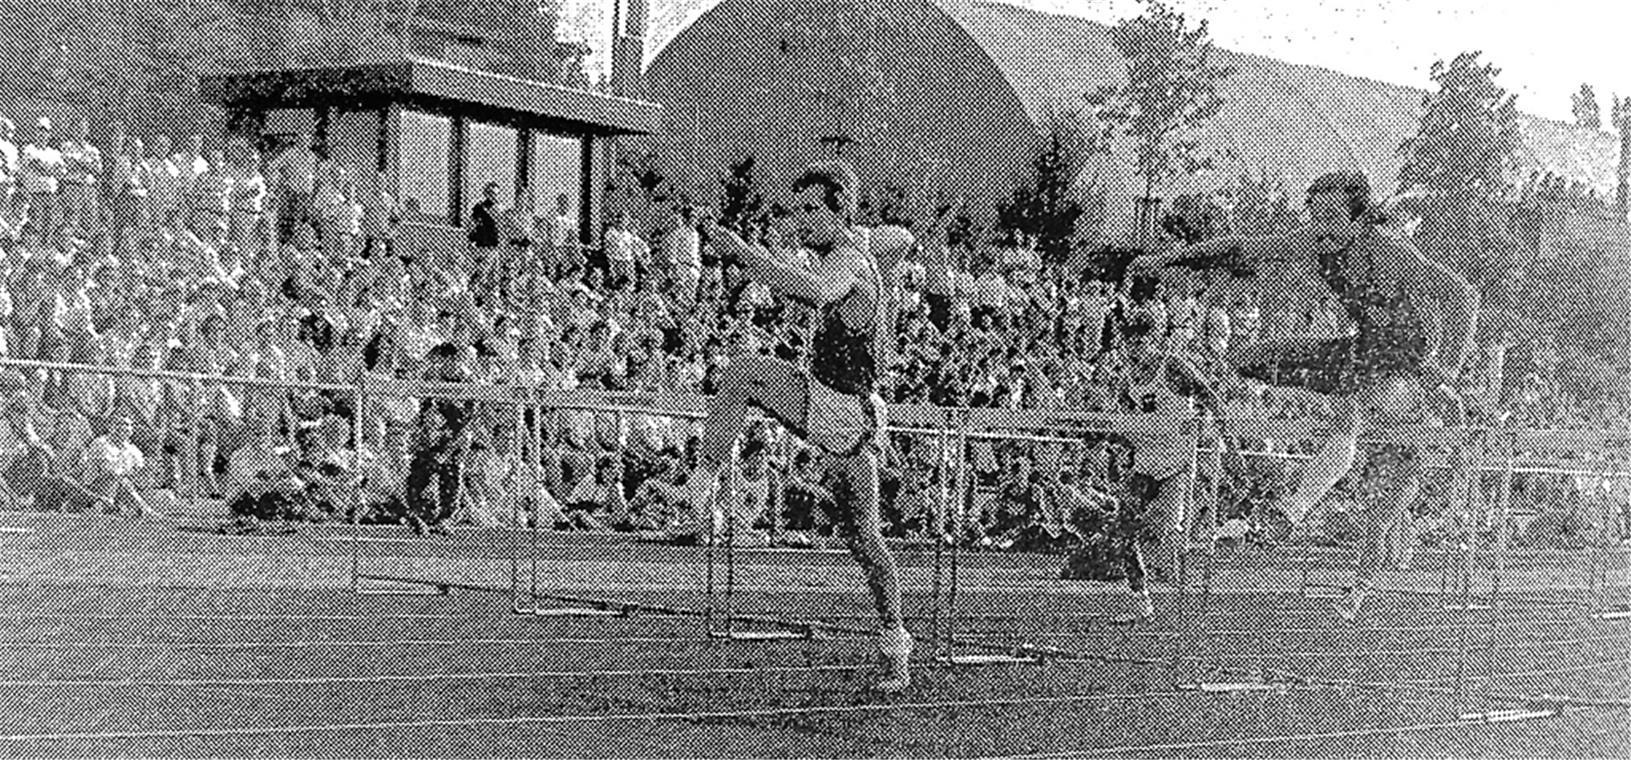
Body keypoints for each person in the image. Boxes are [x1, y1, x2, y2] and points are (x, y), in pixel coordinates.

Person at [1132, 171, 1479, 620]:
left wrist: (1444, 372)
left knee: (1355, 421)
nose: (1322, 227)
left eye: (1333, 218)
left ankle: (1296, 510)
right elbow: (1241, 248)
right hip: (1363, 351)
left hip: (1408, 360)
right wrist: (1170, 259)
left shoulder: (1386, 250)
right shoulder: (1315, 246)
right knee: (1247, 358)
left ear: (1358, 221)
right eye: (1315, 217)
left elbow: (1463, 297)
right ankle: (1291, 498)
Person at [679, 160, 916, 693]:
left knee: (743, 374)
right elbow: (898, 237)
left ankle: (704, 482)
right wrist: (884, 241)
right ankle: (895, 643)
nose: (801, 222)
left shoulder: (848, 262)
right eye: (797, 211)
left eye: (812, 211)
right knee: (865, 539)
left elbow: (808, 288)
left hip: (841, 408)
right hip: (850, 408)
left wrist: (742, 251)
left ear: (840, 209)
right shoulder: (858, 245)